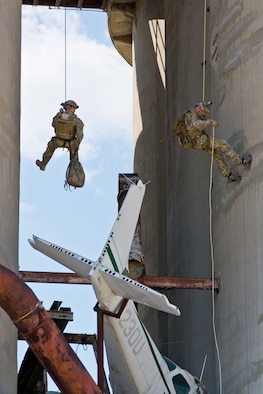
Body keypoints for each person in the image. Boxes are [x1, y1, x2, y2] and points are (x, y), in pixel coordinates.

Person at [172, 101, 252, 182]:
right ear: (197, 108)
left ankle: (228, 175)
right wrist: (210, 122)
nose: (204, 114)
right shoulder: (192, 115)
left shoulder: (188, 115)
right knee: (223, 145)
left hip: (197, 143)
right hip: (202, 141)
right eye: (203, 112)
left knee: (216, 153)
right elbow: (196, 124)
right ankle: (241, 161)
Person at [36, 100, 84, 171]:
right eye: (74, 108)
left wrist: (61, 114)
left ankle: (43, 164)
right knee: (74, 159)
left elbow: (53, 124)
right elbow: (80, 134)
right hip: (71, 143)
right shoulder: (76, 120)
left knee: (50, 148)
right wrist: (78, 143)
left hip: (58, 140)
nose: (74, 110)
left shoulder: (59, 116)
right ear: (70, 108)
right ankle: (74, 174)